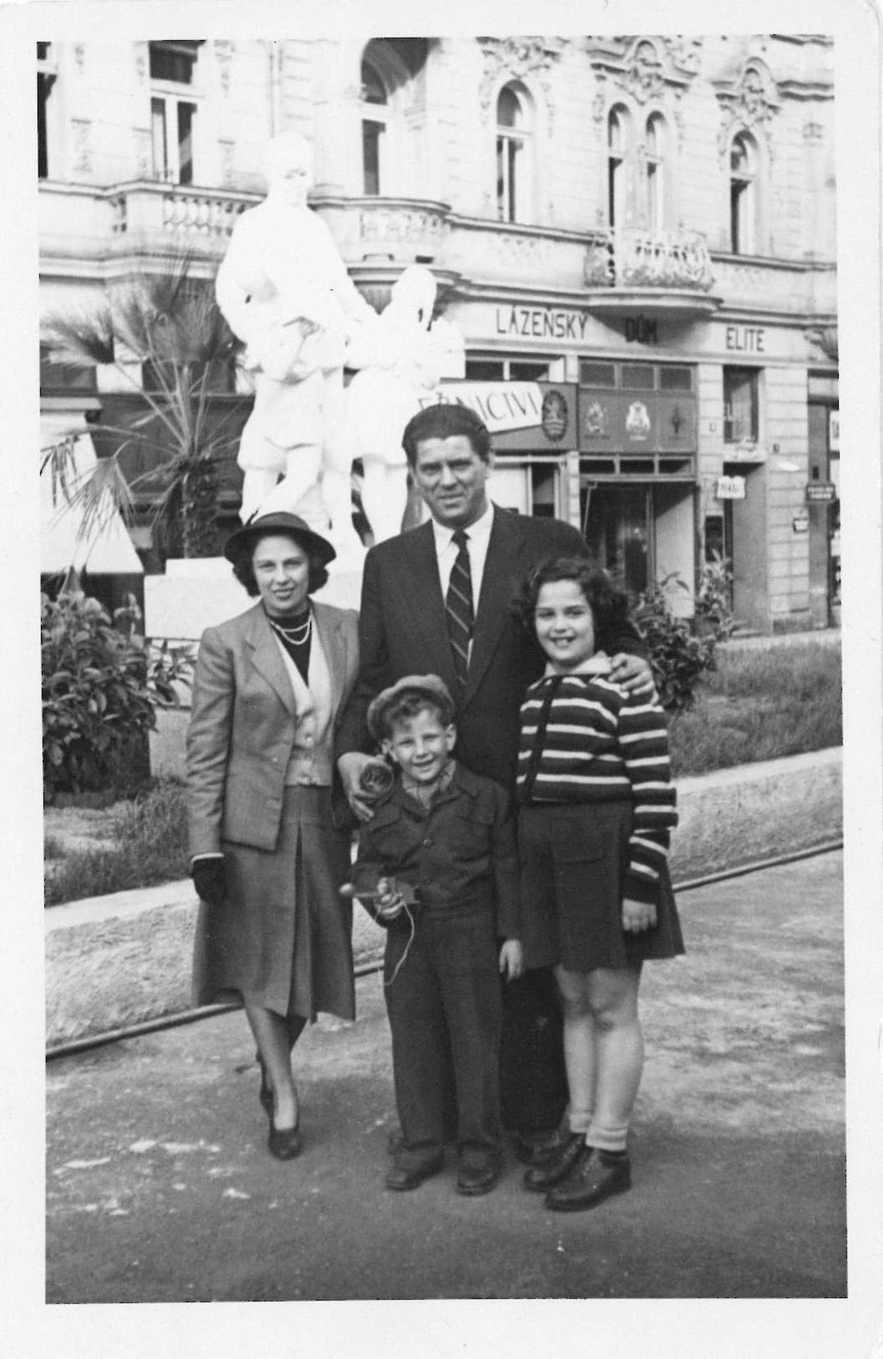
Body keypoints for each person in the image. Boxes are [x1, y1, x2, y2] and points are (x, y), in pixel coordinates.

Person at [334, 401, 654, 1159]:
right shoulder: (389, 562)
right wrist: (348, 750)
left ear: (487, 464)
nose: (447, 479)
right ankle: (451, 1122)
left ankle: (538, 1118)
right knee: (448, 964)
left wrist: (635, 658)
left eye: (460, 463)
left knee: (533, 965)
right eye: (431, 468)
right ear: (413, 476)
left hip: (538, 793)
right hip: (436, 799)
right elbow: (374, 672)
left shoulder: (547, 541)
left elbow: (608, 627)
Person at [186, 511, 360, 1161]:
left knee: (317, 956)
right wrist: (204, 845)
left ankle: (272, 1056)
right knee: (259, 963)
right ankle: (284, 1094)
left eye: (291, 563)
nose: (281, 577)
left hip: (324, 815)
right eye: (267, 566)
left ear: (312, 566)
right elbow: (205, 750)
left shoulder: (347, 627)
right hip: (250, 827)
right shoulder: (226, 641)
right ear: (250, 573)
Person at [514, 556, 683, 1211]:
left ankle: (610, 1149)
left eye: (573, 612)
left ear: (598, 617)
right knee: (574, 1002)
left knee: (612, 1006)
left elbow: (655, 796)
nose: (559, 625)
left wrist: (639, 885)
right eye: (546, 614)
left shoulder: (624, 686)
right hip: (552, 867)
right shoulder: (536, 693)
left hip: (607, 865)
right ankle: (580, 1129)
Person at [349, 675, 523, 1196]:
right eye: (406, 742)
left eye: (430, 737)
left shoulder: (487, 796)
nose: (420, 751)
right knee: (414, 1045)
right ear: (388, 749)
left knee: (475, 1045)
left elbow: (508, 869)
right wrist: (382, 897)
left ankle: (480, 1148)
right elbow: (366, 869)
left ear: (450, 736)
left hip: (472, 936)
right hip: (409, 942)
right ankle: (421, 1144)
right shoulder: (380, 808)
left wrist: (512, 936)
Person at [215, 130, 373, 545]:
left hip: (324, 348)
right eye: (290, 174)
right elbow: (229, 291)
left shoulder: (314, 224)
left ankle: (336, 529)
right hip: (281, 353)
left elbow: (340, 282)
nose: (300, 183)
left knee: (333, 446)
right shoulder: (254, 224)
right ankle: (256, 526)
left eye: (305, 173)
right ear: (270, 174)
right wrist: (257, 336)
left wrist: (366, 318)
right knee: (267, 447)